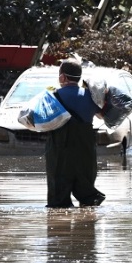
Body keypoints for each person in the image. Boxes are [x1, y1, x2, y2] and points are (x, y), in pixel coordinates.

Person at [45, 60, 106, 208]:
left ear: (63, 78)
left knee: (58, 202)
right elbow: (102, 116)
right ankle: (87, 227)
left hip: (59, 152)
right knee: (88, 200)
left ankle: (59, 228)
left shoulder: (51, 97)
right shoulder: (91, 97)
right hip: (85, 152)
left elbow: (38, 121)